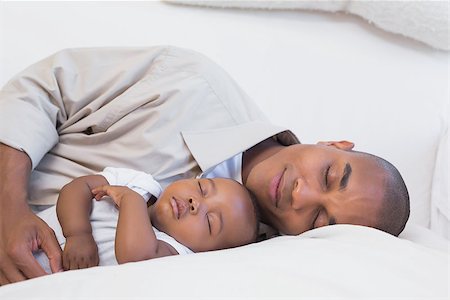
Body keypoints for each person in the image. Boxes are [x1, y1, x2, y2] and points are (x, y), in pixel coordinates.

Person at [0, 46, 410, 285]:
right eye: (329, 174)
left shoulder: (245, 272)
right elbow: (39, 91)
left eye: (320, 220)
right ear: (334, 143)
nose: (300, 194)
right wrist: (8, 207)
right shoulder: (190, 83)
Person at [34, 167, 258, 273]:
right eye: (202, 188)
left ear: (208, 253)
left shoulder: (175, 253)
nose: (195, 203)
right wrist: (78, 233)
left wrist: (131, 200)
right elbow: (77, 187)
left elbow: (135, 256)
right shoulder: (140, 183)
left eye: (210, 222)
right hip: (24, 237)